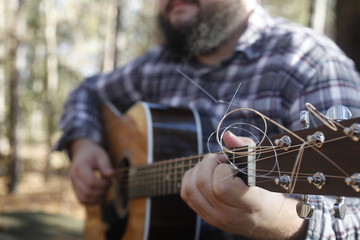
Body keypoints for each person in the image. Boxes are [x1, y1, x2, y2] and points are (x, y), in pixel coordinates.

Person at [55, 0, 360, 239]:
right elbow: (87, 92)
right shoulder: (156, 66)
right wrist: (83, 143)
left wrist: (281, 221)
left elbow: (351, 221)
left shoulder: (310, 62)